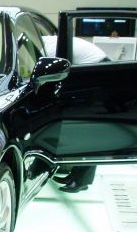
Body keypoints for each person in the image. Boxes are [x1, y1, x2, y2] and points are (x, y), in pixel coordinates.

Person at [42, 35, 108, 192]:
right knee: (83, 130)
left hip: (98, 72)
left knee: (89, 131)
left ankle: (82, 181)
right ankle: (76, 175)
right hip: (92, 71)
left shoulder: (46, 50)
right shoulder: (46, 43)